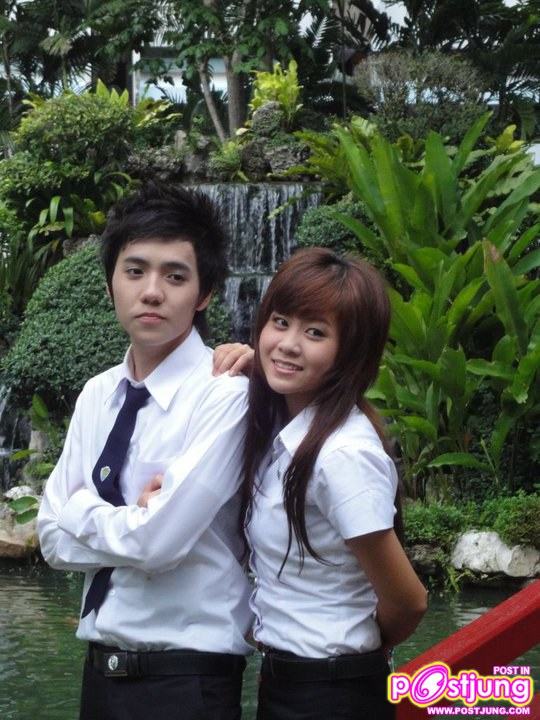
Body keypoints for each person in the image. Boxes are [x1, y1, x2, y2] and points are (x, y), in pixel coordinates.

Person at [37, 181, 253, 720]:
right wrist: (132, 522)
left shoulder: (225, 395)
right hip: (99, 674)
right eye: (134, 271)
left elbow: (158, 544)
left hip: (187, 682)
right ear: (110, 282)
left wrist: (79, 509)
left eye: (175, 276)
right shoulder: (97, 394)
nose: (152, 291)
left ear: (204, 294)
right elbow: (50, 541)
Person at [242, 247, 428, 720]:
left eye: (315, 332)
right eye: (280, 322)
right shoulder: (290, 430)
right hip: (290, 682)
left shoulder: (342, 456)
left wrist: (351, 658)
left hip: (331, 693)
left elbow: (408, 602)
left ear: (351, 352)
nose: (288, 344)